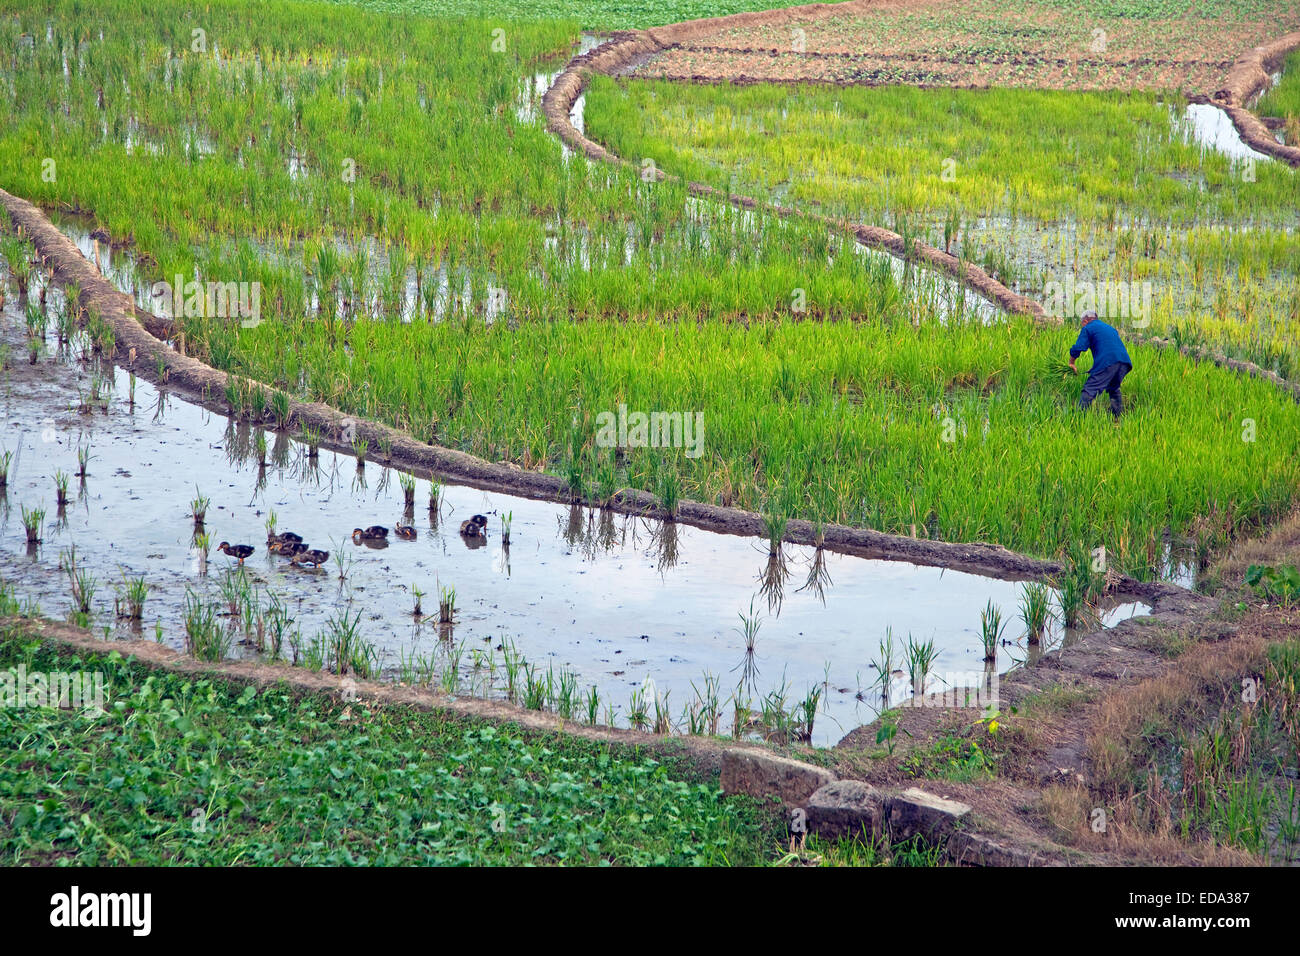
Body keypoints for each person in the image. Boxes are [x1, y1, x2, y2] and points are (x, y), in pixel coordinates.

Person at [1069, 310, 1132, 419]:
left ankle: (1078, 419)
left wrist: (1071, 363)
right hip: (1124, 362)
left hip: (1109, 362)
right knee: (1113, 388)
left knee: (1089, 389)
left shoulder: (1088, 328)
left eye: (1081, 324)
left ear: (1085, 321)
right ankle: (1117, 418)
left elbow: (1079, 347)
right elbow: (1109, 347)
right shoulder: (1110, 328)